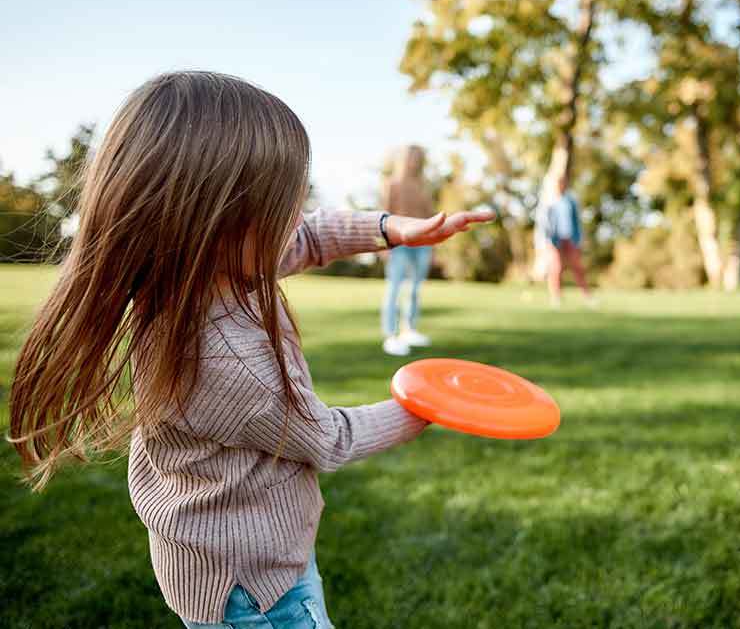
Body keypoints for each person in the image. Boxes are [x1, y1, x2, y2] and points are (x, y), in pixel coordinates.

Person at [6, 71, 493, 628]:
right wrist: (428, 405)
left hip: (218, 561)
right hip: (255, 589)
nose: (297, 217)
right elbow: (330, 439)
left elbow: (309, 236)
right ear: (216, 219)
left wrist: (390, 228)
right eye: (282, 205)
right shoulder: (224, 362)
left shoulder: (196, 271)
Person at [380, 145, 434, 356]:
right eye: (411, 157)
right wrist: (382, 245)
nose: (414, 161)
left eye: (418, 157)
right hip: (398, 244)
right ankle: (390, 335)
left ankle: (409, 329)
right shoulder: (391, 184)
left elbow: (429, 216)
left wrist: (433, 247)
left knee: (414, 289)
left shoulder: (423, 185)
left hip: (422, 244)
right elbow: (382, 215)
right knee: (394, 288)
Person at [535, 170, 592, 306]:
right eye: (558, 183)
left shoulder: (570, 200)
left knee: (577, 267)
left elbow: (576, 221)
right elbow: (542, 224)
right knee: (556, 267)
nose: (561, 185)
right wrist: (542, 243)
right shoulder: (548, 201)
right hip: (554, 239)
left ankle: (587, 296)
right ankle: (556, 297)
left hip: (570, 238)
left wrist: (579, 239)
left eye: (563, 183)